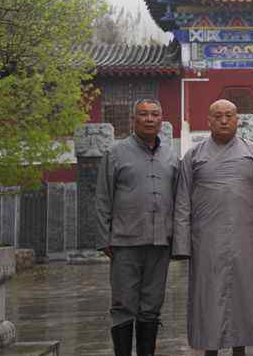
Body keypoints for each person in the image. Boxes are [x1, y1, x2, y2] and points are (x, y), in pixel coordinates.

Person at [173, 99, 253, 356]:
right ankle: (210, 349)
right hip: (206, 241)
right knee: (208, 297)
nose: (224, 121)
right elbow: (182, 201)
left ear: (238, 120)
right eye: (218, 116)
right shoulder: (193, 156)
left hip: (247, 240)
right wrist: (182, 245)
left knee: (244, 296)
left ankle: (241, 348)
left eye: (229, 115)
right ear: (209, 121)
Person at [95, 99, 178, 356]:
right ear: (134, 119)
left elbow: (179, 199)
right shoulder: (115, 153)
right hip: (125, 240)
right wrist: (104, 238)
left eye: (155, 114)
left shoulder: (171, 156)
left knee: (152, 305)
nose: (149, 119)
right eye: (143, 114)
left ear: (161, 120)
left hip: (160, 242)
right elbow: (102, 198)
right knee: (123, 303)